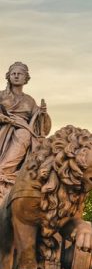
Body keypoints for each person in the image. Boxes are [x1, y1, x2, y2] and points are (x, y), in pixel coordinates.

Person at [0, 62, 51, 196]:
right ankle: (3, 172)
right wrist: (3, 118)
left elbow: (40, 125)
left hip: (24, 130)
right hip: (4, 128)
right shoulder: (1, 96)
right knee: (23, 134)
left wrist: (42, 114)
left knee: (25, 135)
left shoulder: (30, 101)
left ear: (25, 78)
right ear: (9, 77)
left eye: (19, 74)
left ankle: (7, 172)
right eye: (13, 74)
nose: (16, 76)